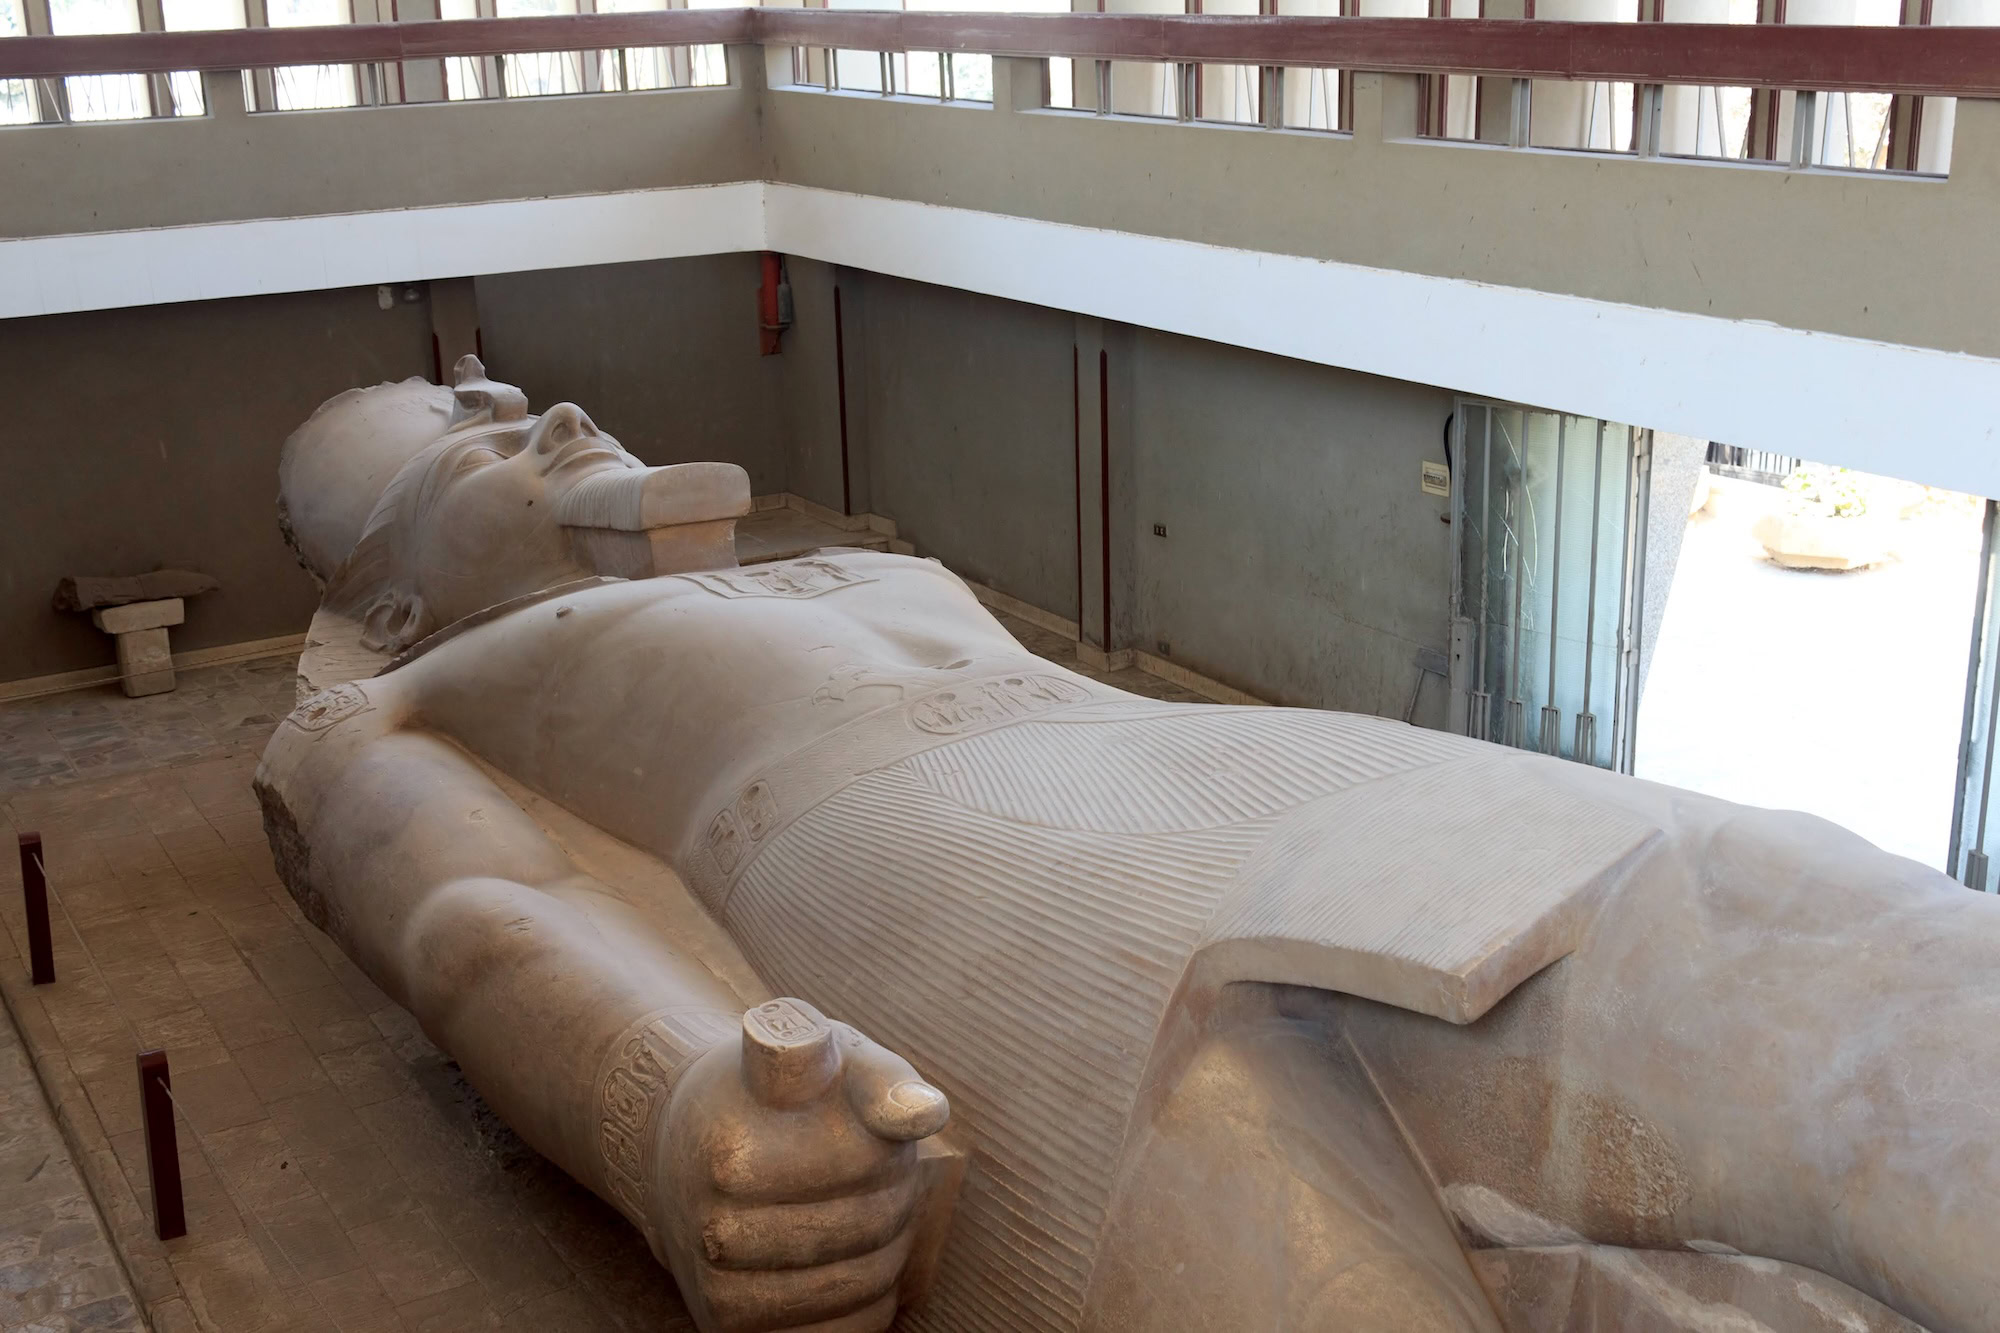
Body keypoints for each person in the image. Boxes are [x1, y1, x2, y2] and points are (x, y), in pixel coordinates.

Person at [258, 359, 1996, 1333]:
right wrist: (664, 1105)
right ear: (394, 591)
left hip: (1299, 790)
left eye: (527, 393)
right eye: (470, 435)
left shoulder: (848, 557)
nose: (550, 421)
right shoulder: (398, 704)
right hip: (991, 928)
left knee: (1880, 999)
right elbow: (482, 910)